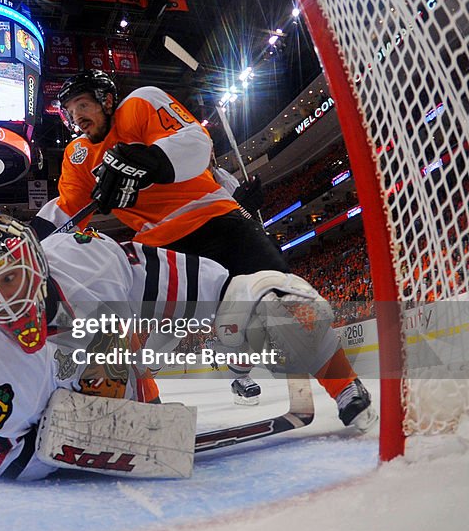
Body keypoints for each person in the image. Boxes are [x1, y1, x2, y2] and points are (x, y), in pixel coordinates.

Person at [0, 212, 374, 481]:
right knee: (95, 378)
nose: (3, 301)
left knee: (273, 302)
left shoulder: (87, 258)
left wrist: (250, 305)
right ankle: (136, 397)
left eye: (7, 277)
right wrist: (77, 441)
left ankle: (345, 387)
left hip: (127, 349)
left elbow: (215, 290)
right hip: (52, 414)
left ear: (35, 260)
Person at [41, 70, 371, 413]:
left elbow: (196, 143)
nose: (77, 116)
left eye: (83, 104)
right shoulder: (77, 156)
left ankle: (345, 385)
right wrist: (31, 238)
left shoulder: (140, 104)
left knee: (282, 300)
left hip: (215, 220)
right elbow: (68, 210)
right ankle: (143, 408)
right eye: (70, 110)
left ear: (107, 100)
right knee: (132, 334)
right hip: (160, 246)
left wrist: (147, 162)